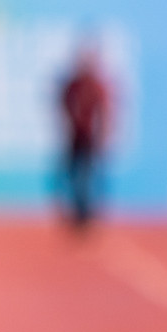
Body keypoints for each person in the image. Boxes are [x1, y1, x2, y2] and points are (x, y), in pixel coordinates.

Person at [59, 47, 111, 230]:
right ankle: (77, 212)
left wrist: (102, 136)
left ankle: (86, 215)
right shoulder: (73, 85)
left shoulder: (97, 85)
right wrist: (71, 121)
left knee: (88, 177)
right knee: (73, 176)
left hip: (91, 140)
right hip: (74, 138)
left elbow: (104, 111)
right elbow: (63, 103)